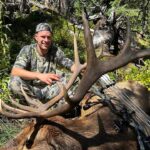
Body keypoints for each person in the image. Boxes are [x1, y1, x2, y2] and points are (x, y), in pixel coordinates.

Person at [8, 23, 75, 102]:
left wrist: (80, 69)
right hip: (31, 90)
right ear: (36, 37)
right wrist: (39, 75)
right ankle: (35, 106)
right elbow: (15, 71)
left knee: (74, 78)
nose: (46, 40)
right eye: (43, 37)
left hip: (50, 90)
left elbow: (69, 64)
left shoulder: (55, 50)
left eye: (49, 37)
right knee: (14, 82)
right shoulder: (27, 50)